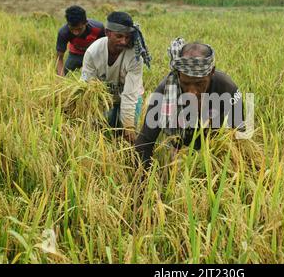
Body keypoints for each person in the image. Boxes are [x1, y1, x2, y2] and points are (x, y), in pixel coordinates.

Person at [135, 38, 244, 167]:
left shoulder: (227, 88)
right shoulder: (166, 90)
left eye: (199, 84)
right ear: (179, 74)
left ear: (211, 72)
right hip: (181, 147)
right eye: (186, 83)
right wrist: (142, 181)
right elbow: (145, 141)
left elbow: (240, 137)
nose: (192, 92)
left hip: (215, 147)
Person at [81, 11, 151, 143]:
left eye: (127, 37)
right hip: (106, 99)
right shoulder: (93, 53)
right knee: (103, 135)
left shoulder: (135, 57)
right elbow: (88, 88)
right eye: (119, 36)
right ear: (108, 33)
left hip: (131, 99)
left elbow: (130, 95)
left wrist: (128, 125)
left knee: (128, 138)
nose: (123, 42)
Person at [56, 5, 105, 76]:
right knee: (66, 74)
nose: (75, 33)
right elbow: (59, 58)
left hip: (93, 55)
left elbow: (104, 50)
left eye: (79, 29)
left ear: (86, 23)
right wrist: (61, 79)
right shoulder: (63, 32)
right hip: (75, 54)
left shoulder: (98, 28)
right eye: (72, 29)